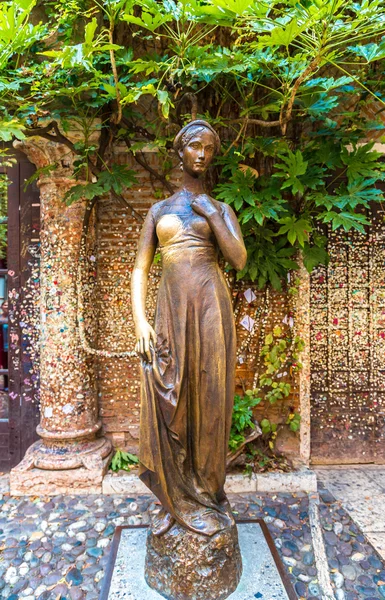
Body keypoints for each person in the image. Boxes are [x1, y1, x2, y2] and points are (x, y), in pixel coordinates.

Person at [131, 120, 247, 538]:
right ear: (179, 152)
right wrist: (140, 319)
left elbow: (238, 259)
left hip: (210, 308)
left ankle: (208, 494)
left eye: (210, 149)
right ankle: (172, 496)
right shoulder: (159, 210)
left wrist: (215, 215)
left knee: (211, 399)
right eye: (195, 146)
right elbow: (141, 268)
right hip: (169, 313)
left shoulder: (220, 208)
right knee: (168, 399)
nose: (202, 154)